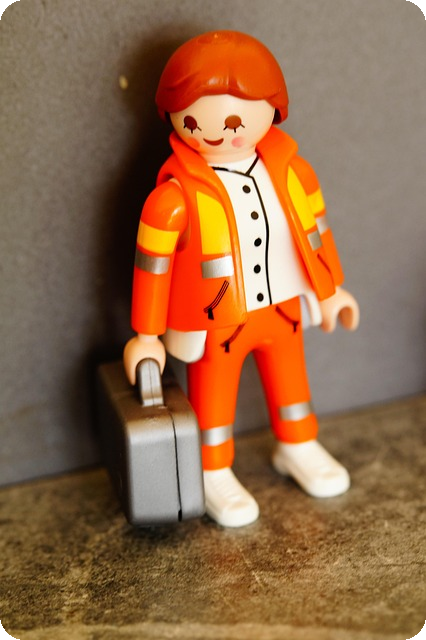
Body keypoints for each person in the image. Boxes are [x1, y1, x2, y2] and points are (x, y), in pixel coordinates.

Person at [123, 30, 360, 527]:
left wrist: (332, 289)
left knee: (291, 380)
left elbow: (317, 232)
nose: (217, 133)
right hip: (218, 320)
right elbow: (152, 266)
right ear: (173, 117)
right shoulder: (174, 197)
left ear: (273, 110)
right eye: (194, 120)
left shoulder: (294, 173)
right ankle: (213, 470)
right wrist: (146, 334)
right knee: (214, 393)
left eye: (235, 121)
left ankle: (298, 444)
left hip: (284, 308)